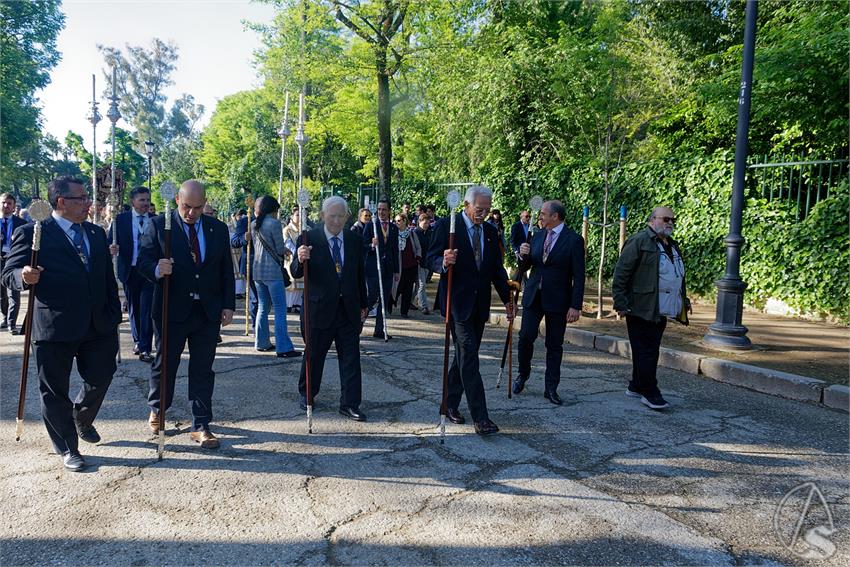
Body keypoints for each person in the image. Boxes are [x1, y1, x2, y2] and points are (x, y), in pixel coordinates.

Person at [1, 177, 121, 471]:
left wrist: (115, 312)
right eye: (81, 199)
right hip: (54, 324)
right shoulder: (34, 232)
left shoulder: (94, 233)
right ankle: (68, 447)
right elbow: (9, 273)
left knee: (102, 374)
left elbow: (105, 276)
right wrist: (24, 277)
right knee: (54, 390)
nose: (87, 204)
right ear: (61, 202)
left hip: (97, 323)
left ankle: (80, 416)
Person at [138, 180, 235, 449]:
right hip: (171, 307)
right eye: (186, 206)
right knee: (166, 363)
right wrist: (158, 269)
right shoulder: (160, 225)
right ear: (178, 201)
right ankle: (158, 409)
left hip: (206, 310)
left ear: (205, 203)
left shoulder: (217, 229)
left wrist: (228, 304)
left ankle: (201, 424)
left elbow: (225, 268)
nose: (192, 213)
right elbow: (142, 262)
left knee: (203, 368)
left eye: (198, 207)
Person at [426, 185, 515, 436]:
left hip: (479, 304)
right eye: (479, 209)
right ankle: (481, 417)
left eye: (487, 209)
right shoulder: (448, 226)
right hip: (456, 303)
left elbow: (497, 269)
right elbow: (429, 257)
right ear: (467, 205)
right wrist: (443, 261)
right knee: (469, 356)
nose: (483, 214)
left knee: (464, 356)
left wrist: (508, 298)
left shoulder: (489, 230)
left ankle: (450, 402)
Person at [292, 196, 369, 420]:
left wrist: (363, 303)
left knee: (351, 358)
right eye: (332, 216)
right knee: (314, 355)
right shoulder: (308, 238)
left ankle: (350, 403)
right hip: (319, 308)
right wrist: (299, 258)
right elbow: (296, 272)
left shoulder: (354, 239)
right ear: (323, 215)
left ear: (347, 216)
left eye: (340, 216)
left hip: (348, 308)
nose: (336, 221)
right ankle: (307, 394)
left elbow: (358, 273)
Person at [612, 206, 691, 411]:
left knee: (647, 349)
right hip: (640, 307)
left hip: (660, 309)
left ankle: (637, 385)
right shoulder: (639, 241)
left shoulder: (670, 244)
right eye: (666, 219)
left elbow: (676, 275)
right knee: (647, 351)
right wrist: (620, 303)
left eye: (673, 219)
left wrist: (683, 301)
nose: (670, 223)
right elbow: (621, 274)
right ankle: (650, 392)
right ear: (652, 219)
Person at [513, 200, 585, 404]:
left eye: (543, 213)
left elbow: (579, 275)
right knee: (525, 337)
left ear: (555, 216)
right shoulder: (537, 236)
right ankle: (523, 374)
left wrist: (575, 305)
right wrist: (523, 255)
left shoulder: (574, 240)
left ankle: (551, 387)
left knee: (554, 344)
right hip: (534, 295)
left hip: (559, 299)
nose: (540, 217)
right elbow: (526, 266)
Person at [108, 186, 156, 362]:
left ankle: (145, 347)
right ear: (133, 201)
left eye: (147, 199)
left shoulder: (155, 220)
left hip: (150, 272)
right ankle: (137, 340)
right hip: (130, 269)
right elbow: (109, 242)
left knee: (147, 308)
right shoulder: (120, 221)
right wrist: (112, 248)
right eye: (141, 200)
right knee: (134, 307)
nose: (145, 203)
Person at [251, 195, 300, 358]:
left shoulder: (253, 224)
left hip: (257, 271)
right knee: (280, 308)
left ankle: (261, 341)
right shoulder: (274, 224)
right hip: (272, 271)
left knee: (263, 307)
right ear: (273, 210)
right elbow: (279, 248)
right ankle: (283, 346)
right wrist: (286, 252)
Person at [362, 199, 399, 339]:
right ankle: (358, 321)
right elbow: (362, 245)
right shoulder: (371, 225)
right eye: (379, 209)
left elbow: (395, 250)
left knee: (384, 298)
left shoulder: (393, 228)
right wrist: (372, 245)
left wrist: (396, 270)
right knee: (372, 297)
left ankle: (379, 330)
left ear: (389, 211)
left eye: (384, 209)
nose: (381, 212)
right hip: (373, 268)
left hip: (388, 268)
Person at [1, 193, 28, 334]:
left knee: (14, 293)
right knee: (2, 294)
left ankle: (12, 323)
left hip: (14, 261)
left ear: (13, 207)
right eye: (3, 203)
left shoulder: (21, 224)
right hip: (0, 259)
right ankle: (5, 317)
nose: (6, 206)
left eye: (9, 203)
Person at [230, 209, 258, 326]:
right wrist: (244, 239)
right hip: (251, 264)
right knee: (256, 297)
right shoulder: (245, 222)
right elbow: (234, 241)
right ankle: (256, 324)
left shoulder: (271, 221)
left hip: (269, 265)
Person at [394, 212, 421, 318]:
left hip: (411, 266)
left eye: (399, 221)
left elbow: (418, 247)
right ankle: (391, 303)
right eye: (395, 221)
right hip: (398, 266)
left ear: (405, 221)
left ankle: (404, 311)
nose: (397, 223)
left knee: (408, 289)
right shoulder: (393, 234)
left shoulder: (411, 234)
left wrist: (417, 257)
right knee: (397, 287)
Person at [283, 206, 305, 312]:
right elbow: (287, 243)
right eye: (297, 215)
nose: (299, 217)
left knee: (301, 280)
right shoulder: (287, 230)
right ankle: (289, 303)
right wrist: (297, 252)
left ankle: (298, 303)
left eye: (301, 215)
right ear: (292, 216)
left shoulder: (305, 229)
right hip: (291, 258)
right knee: (292, 280)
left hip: (302, 258)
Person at [412, 213, 432, 315]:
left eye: (428, 223)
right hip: (419, 261)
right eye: (425, 222)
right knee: (422, 284)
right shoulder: (415, 233)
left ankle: (411, 301)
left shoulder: (429, 233)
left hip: (427, 262)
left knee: (419, 285)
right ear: (420, 221)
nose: (427, 225)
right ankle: (424, 305)